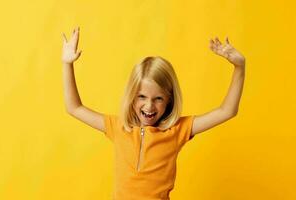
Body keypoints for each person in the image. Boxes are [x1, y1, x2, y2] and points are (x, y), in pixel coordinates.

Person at [62, 26, 245, 200]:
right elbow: (74, 107)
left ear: (169, 100)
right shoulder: (118, 127)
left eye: (158, 99)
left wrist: (240, 67)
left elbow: (227, 111)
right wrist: (66, 64)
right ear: (132, 96)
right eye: (142, 96)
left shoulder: (177, 131)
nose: (149, 106)